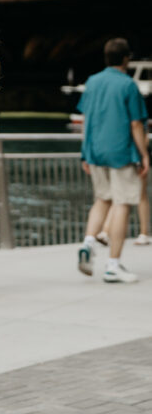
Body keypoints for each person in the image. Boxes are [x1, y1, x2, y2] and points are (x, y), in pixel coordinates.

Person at [76, 38, 150, 283]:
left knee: (102, 199)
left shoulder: (92, 82)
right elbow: (136, 124)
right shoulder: (128, 85)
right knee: (122, 203)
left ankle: (88, 242)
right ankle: (113, 265)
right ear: (126, 59)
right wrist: (144, 154)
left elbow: (86, 120)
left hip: (96, 152)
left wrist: (85, 152)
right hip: (121, 153)